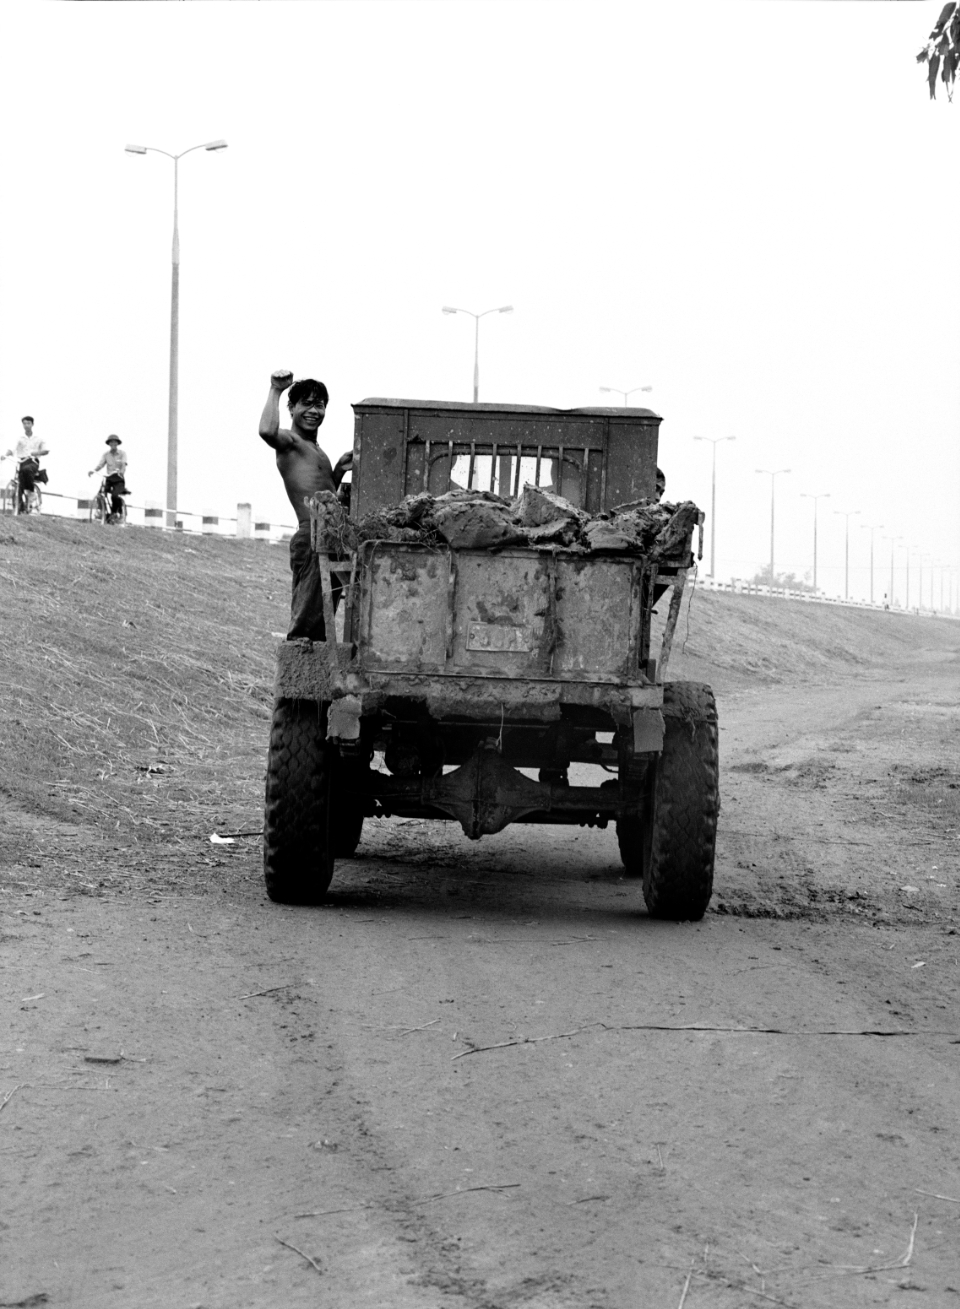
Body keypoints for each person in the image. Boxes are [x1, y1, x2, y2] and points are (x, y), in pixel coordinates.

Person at [258, 370, 352, 640]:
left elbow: (322, 494)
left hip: (329, 536)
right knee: (304, 626)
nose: (314, 410)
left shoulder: (316, 448)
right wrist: (276, 389)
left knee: (322, 619)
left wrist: (338, 472)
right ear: (292, 408)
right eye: (306, 404)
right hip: (310, 535)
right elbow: (266, 430)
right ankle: (297, 669)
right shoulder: (290, 442)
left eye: (319, 405)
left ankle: (315, 674)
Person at [3, 416, 49, 514]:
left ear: (32, 424)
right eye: (24, 423)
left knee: (27, 470)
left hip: (33, 461)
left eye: (28, 423)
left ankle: (31, 493)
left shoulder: (39, 437)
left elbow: (46, 450)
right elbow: (12, 448)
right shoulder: (19, 437)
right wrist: (4, 455)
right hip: (21, 461)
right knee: (19, 485)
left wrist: (36, 453)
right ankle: (21, 508)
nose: (26, 425)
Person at [88, 436, 130, 520]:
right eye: (111, 442)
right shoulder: (106, 454)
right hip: (109, 477)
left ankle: (115, 512)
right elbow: (101, 465)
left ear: (118, 443)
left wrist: (121, 472)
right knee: (101, 494)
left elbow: (123, 464)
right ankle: (101, 511)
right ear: (109, 444)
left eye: (115, 442)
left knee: (114, 495)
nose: (113, 444)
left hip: (118, 478)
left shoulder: (122, 453)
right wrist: (93, 470)